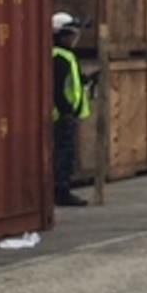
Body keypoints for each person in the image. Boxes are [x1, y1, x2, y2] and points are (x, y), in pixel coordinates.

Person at [52, 12, 92, 207]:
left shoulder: (66, 56)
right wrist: (66, 111)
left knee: (66, 154)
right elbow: (57, 88)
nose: (73, 38)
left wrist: (86, 81)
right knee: (63, 155)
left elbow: (71, 82)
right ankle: (61, 191)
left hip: (67, 115)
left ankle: (62, 188)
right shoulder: (59, 58)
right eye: (70, 34)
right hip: (62, 116)